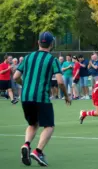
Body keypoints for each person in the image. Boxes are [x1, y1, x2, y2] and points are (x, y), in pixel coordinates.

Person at [13, 31, 71, 166]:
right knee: (49, 125)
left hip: (25, 97)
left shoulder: (27, 58)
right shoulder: (52, 60)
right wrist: (66, 96)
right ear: (51, 44)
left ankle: (26, 145)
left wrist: (25, 85)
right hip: (41, 97)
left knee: (32, 124)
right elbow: (60, 82)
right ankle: (38, 151)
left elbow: (15, 77)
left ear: (38, 43)